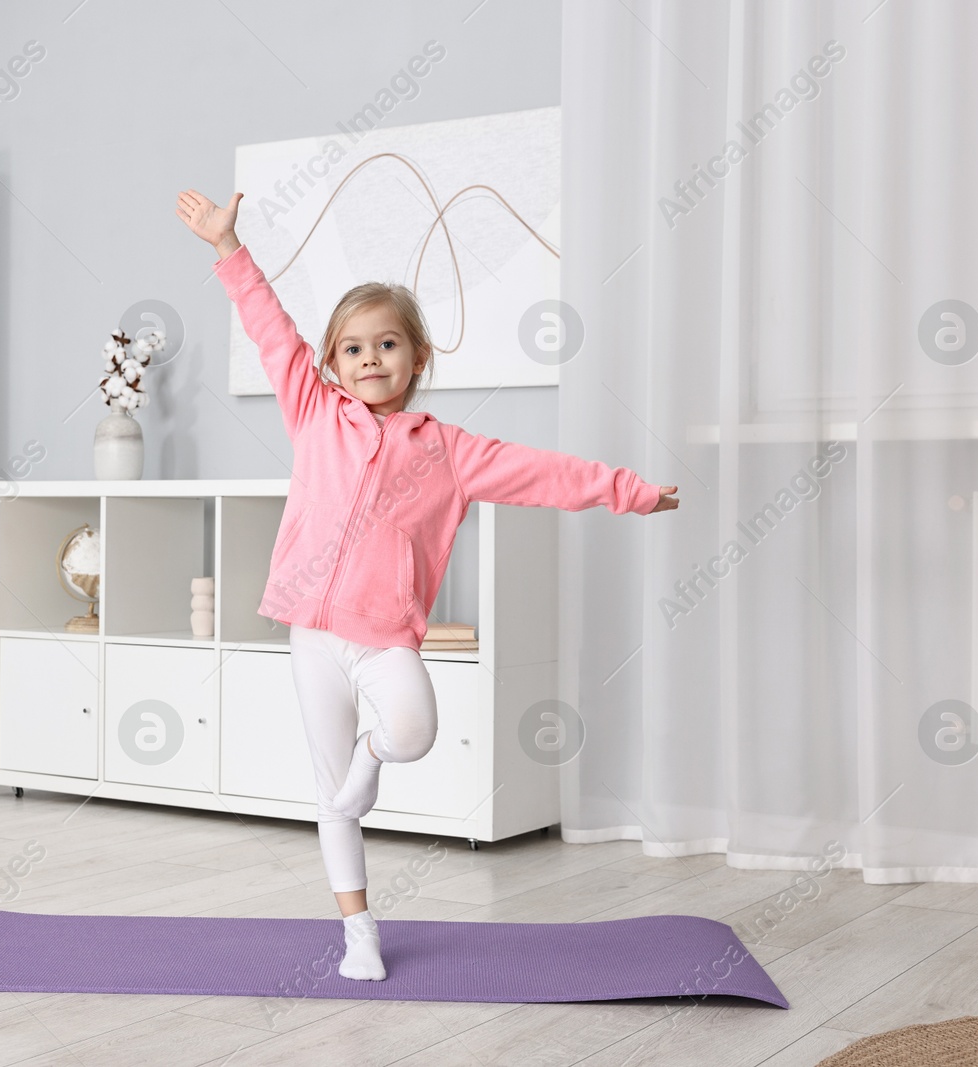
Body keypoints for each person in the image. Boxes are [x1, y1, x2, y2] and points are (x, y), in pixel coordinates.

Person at [175, 188, 679, 981]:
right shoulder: (313, 413)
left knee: (410, 731)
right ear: (332, 362)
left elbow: (540, 473)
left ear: (418, 357)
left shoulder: (447, 450)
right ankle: (358, 929)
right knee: (328, 791)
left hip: (382, 634)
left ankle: (370, 764)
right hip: (312, 630)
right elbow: (269, 328)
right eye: (353, 348)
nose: (370, 359)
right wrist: (228, 249)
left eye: (387, 345)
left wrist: (629, 489)